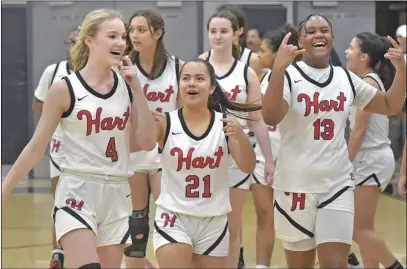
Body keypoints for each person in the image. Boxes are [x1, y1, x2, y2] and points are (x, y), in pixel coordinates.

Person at [2, 8, 157, 268]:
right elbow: (36, 147)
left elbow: (147, 142)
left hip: (118, 192)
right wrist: (4, 189)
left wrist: (137, 88)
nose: (121, 42)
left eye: (122, 36)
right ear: (90, 40)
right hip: (78, 190)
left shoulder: (126, 87)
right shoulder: (64, 88)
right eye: (112, 36)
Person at [262, 14, 406, 268]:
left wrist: (401, 70)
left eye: (325, 30)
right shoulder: (287, 75)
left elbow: (390, 104)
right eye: (312, 31)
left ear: (332, 38)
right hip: (294, 186)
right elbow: (270, 115)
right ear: (301, 39)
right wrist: (278, 68)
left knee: (336, 263)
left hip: (336, 185)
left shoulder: (345, 78)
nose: (319, 34)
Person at [133, 58, 258, 268]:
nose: (191, 83)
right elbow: (144, 143)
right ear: (179, 86)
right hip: (175, 217)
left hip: (214, 219)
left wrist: (241, 137)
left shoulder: (226, 125)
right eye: (186, 78)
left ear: (211, 88)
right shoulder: (164, 121)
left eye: (199, 79)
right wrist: (137, 89)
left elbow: (248, 167)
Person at [201, 10, 273, 269]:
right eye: (213, 31)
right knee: (203, 227)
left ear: (236, 34)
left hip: (236, 157)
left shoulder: (247, 73)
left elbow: (257, 120)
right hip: (202, 158)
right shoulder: (198, 66)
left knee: (232, 229)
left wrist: (269, 161)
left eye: (223, 31)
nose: (217, 36)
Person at [123, 9, 184, 269]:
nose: (134, 35)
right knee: (135, 224)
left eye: (141, 29)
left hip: (164, 155)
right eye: (132, 29)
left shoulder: (177, 67)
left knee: (168, 221)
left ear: (157, 33)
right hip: (133, 153)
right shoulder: (122, 66)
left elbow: (183, 115)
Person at [346, 31, 405, 269]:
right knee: (364, 228)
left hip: (370, 159)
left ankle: (394, 267)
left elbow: (359, 131)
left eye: (351, 47)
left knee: (356, 229)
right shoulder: (363, 81)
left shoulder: (368, 83)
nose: (347, 52)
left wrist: (343, 163)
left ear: (364, 56)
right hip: (370, 159)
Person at [252, 24, 300, 269]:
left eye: (263, 50)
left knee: (295, 221)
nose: (259, 55)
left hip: (291, 159)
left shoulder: (297, 78)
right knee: (264, 217)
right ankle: (262, 266)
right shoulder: (265, 76)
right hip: (263, 156)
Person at [31, 26, 79, 269]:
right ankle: (57, 255)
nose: (74, 46)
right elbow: (37, 104)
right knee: (61, 202)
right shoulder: (54, 72)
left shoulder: (101, 71)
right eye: (70, 41)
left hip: (90, 148)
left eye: (78, 41)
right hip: (61, 145)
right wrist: (58, 109)